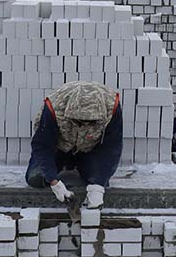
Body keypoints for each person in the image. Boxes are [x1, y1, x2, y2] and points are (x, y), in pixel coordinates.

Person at [25, 80, 123, 210]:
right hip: (59, 148)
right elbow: (42, 146)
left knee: (97, 179)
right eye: (79, 122)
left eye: (90, 122)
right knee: (36, 178)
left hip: (89, 150)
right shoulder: (54, 107)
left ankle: (84, 166)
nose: (84, 126)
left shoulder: (112, 107)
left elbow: (112, 147)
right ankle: (66, 163)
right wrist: (54, 182)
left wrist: (98, 184)